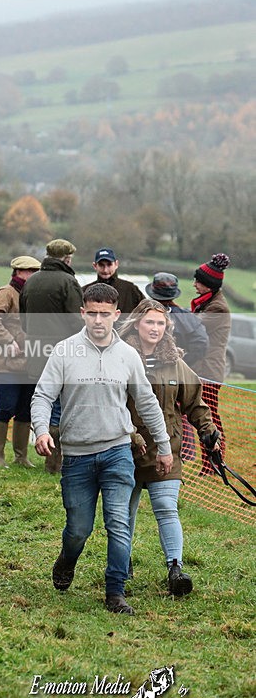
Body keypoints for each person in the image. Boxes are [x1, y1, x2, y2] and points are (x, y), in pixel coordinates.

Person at [31, 283, 173, 615]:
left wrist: (164, 446)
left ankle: (115, 592)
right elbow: (42, 396)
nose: (98, 320)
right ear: (83, 313)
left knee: (119, 523)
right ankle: (67, 560)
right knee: (79, 529)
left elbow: (147, 403)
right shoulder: (64, 352)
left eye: (105, 314)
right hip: (77, 456)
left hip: (117, 451)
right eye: (92, 313)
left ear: (116, 315)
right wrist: (40, 430)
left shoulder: (128, 356)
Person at [118, 299, 220, 596]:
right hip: (126, 447)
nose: (155, 328)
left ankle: (175, 569)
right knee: (124, 511)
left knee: (166, 507)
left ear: (167, 327)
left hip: (166, 449)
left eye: (161, 323)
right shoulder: (121, 357)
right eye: (150, 322)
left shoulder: (176, 362)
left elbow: (195, 404)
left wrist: (208, 432)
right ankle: (121, 565)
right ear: (137, 323)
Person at [19, 238, 84, 474]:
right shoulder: (69, 281)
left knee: (44, 402)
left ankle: (47, 454)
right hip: (63, 354)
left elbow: (23, 321)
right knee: (60, 408)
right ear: (67, 258)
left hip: (35, 353)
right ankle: (55, 465)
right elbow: (77, 322)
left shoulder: (31, 281)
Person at [0, 255, 41, 468]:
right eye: (32, 271)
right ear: (20, 272)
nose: (35, 275)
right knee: (6, 407)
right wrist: (8, 340)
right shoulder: (5, 294)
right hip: (5, 365)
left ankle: (21, 457)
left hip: (30, 363)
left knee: (26, 409)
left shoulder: (32, 296)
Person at [190, 254, 231, 474]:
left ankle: (214, 464)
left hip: (208, 373)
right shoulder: (208, 303)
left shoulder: (217, 308)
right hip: (201, 370)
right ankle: (209, 465)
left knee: (209, 417)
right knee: (202, 415)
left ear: (210, 285)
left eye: (198, 281)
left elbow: (192, 328)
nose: (194, 284)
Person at [145, 272, 209, 371]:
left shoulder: (141, 314)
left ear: (152, 293)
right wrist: (180, 363)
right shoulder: (188, 318)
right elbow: (201, 344)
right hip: (176, 373)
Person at [83, 247, 144, 324]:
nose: (105, 270)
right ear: (95, 266)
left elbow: (145, 312)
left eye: (109, 265)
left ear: (116, 264)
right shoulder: (85, 291)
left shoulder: (131, 289)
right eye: (101, 265)